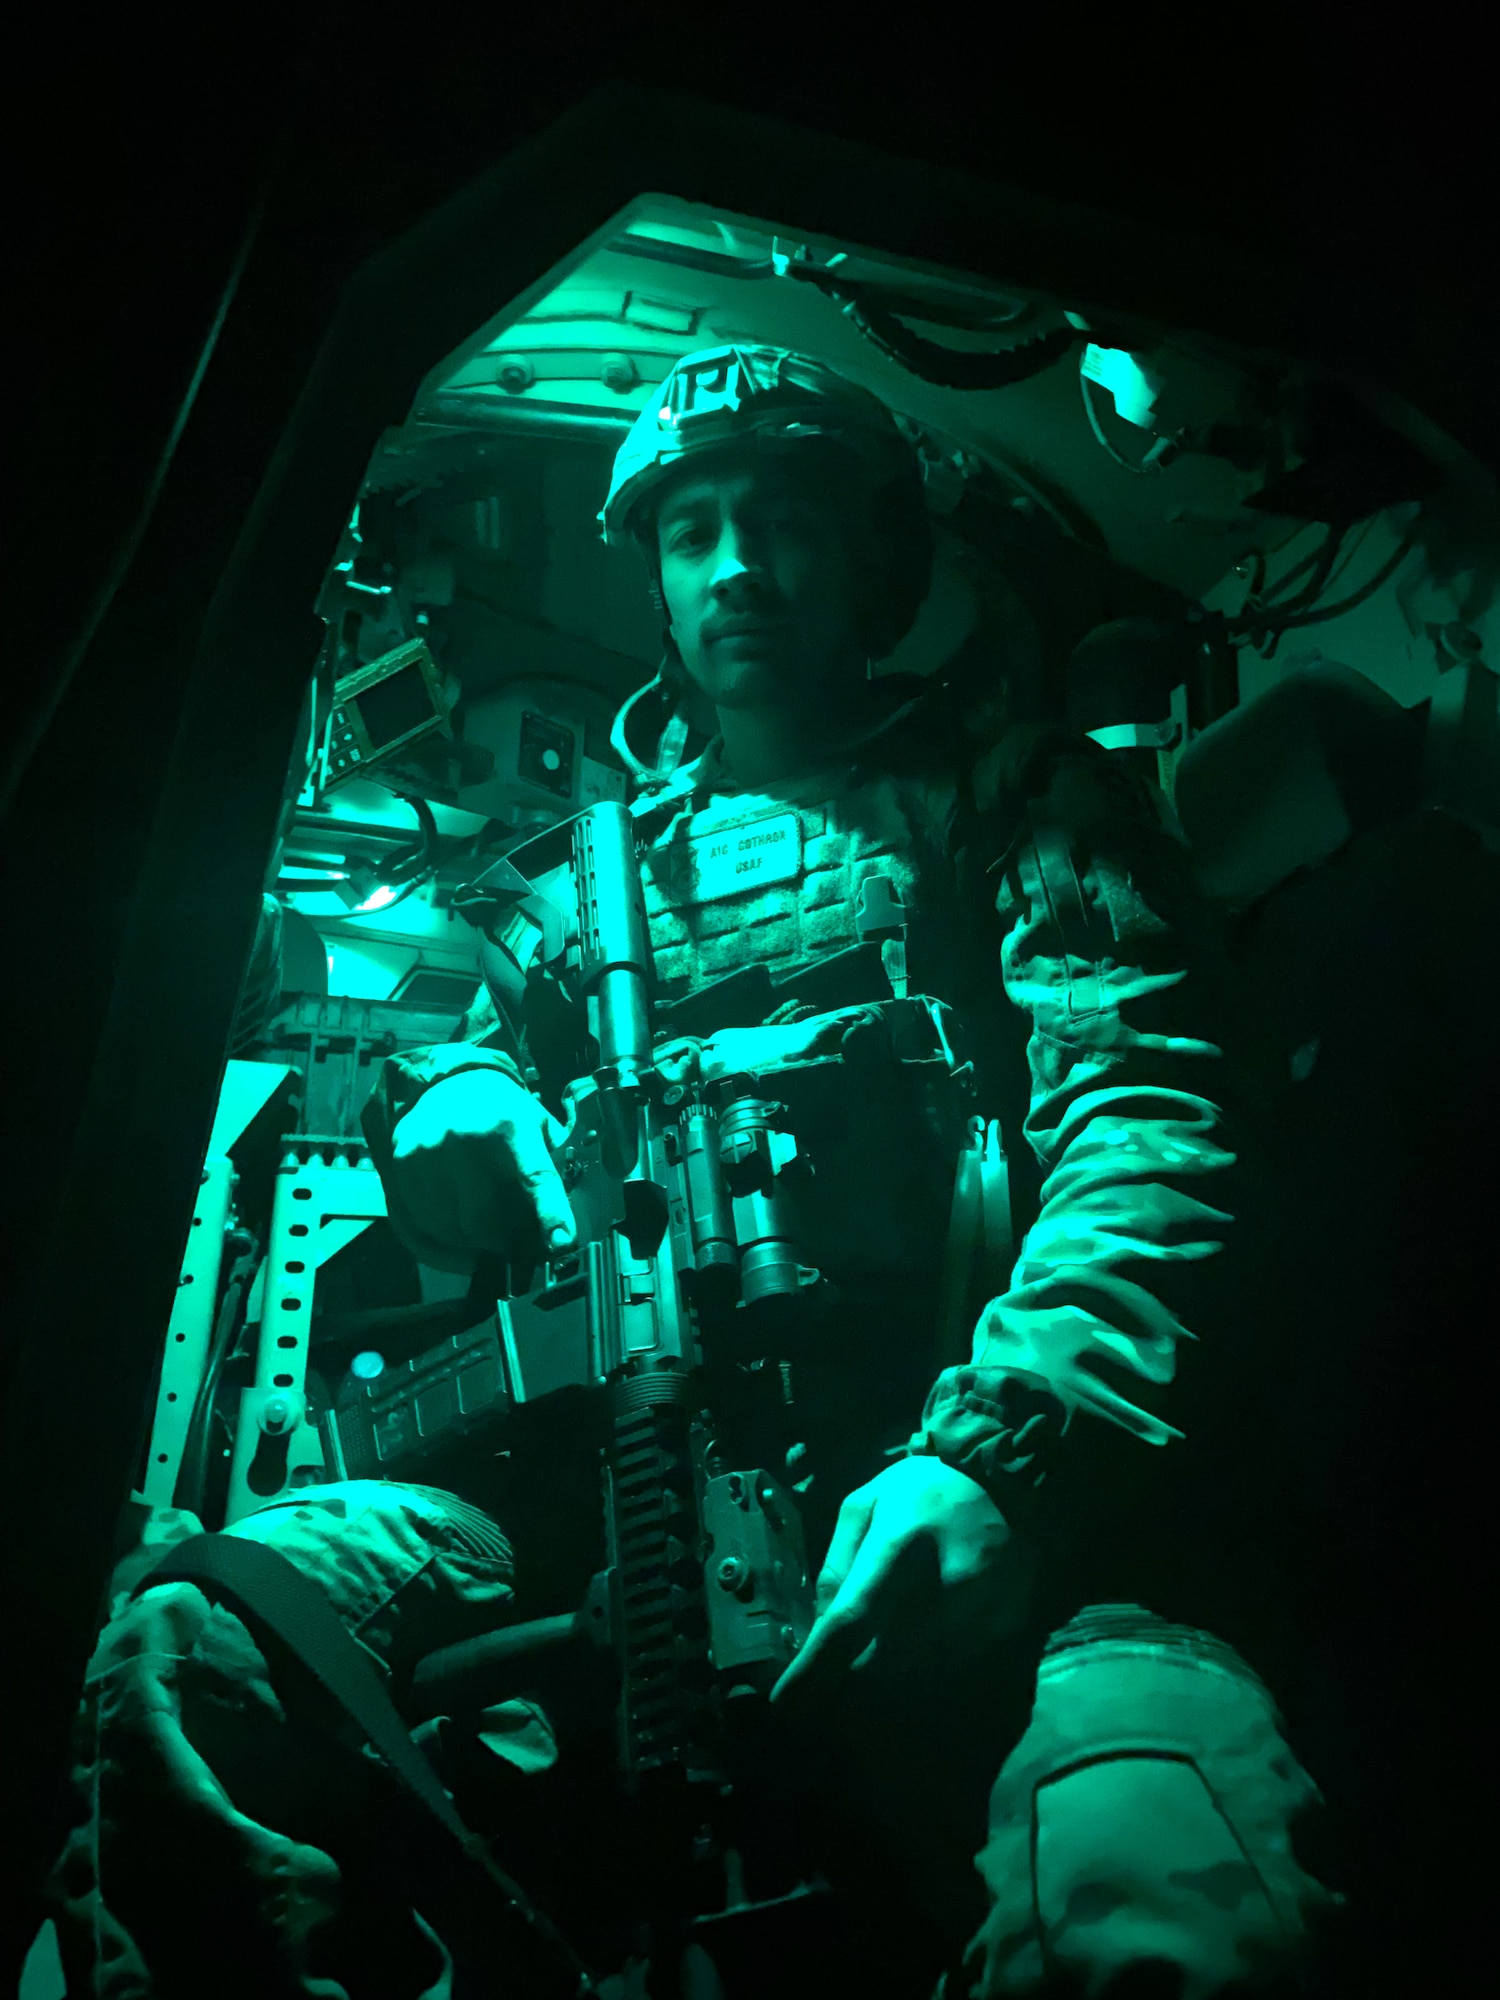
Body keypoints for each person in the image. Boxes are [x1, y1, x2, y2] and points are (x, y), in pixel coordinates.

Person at [360, 345, 1338, 1995]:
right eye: (692, 530)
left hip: (984, 1504)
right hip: (619, 1517)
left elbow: (1150, 1117)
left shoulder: (1018, 798)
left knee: (1153, 1890)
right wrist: (447, 1098)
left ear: (870, 558)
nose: (735, 564)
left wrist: (1007, 1455)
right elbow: (426, 1040)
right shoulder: (568, 888)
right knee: (195, 1639)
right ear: (657, 583)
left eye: (785, 521)